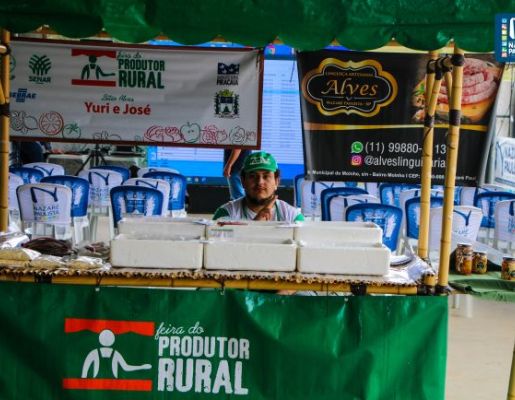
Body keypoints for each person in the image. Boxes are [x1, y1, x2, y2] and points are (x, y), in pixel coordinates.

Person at [213, 151, 304, 222]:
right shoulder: (226, 213)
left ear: (277, 182)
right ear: (243, 181)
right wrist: (257, 222)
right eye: (253, 176)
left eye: (266, 176)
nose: (260, 182)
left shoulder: (293, 217)